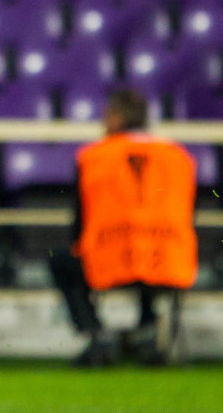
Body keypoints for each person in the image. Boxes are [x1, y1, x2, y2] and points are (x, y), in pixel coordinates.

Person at [49, 90, 197, 367]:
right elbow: (190, 210)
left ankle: (97, 334)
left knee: (62, 262)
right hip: (169, 259)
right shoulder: (177, 156)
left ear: (117, 118)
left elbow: (81, 218)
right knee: (145, 269)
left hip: (111, 257)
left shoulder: (95, 157)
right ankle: (148, 327)